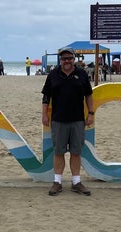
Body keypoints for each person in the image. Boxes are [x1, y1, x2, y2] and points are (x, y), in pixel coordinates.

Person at [41, 47, 94, 196]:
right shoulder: (53, 75)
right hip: (58, 120)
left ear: (74, 59)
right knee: (59, 152)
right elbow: (46, 97)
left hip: (78, 120)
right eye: (64, 59)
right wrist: (44, 114)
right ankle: (57, 182)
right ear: (60, 60)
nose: (67, 61)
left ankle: (76, 182)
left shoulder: (81, 74)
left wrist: (90, 113)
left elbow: (89, 95)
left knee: (76, 152)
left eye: (69, 58)